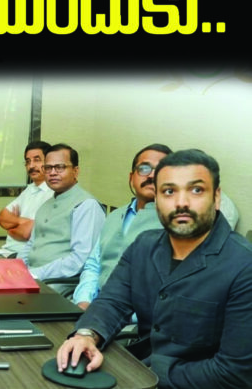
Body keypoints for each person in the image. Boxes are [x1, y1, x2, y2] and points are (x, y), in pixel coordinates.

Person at [57, 149, 252, 389]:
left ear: (217, 197)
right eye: (169, 191)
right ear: (157, 199)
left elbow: (234, 372)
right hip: (137, 370)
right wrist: (87, 335)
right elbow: (113, 301)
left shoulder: (243, 265)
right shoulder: (143, 245)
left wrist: (144, 372)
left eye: (196, 190)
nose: (181, 202)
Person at [73, 144, 241, 310]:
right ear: (132, 177)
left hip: (140, 318)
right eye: (144, 168)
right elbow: (93, 265)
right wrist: (84, 301)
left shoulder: (178, 223)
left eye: (159, 170)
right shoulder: (115, 216)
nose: (152, 175)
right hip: (99, 308)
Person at [23, 143, 105, 281]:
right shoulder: (45, 205)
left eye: (60, 167)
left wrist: (34, 274)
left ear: (75, 171)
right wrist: (16, 270)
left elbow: (79, 260)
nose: (53, 173)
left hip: (56, 283)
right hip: (32, 277)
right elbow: (30, 246)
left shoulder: (86, 205)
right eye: (48, 168)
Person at [0, 141, 54, 255]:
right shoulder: (30, 189)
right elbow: (1, 218)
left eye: (37, 160)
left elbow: (26, 233)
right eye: (28, 162)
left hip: (26, 256)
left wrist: (11, 227)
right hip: (7, 251)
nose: (31, 166)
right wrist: (21, 221)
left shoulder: (53, 193)